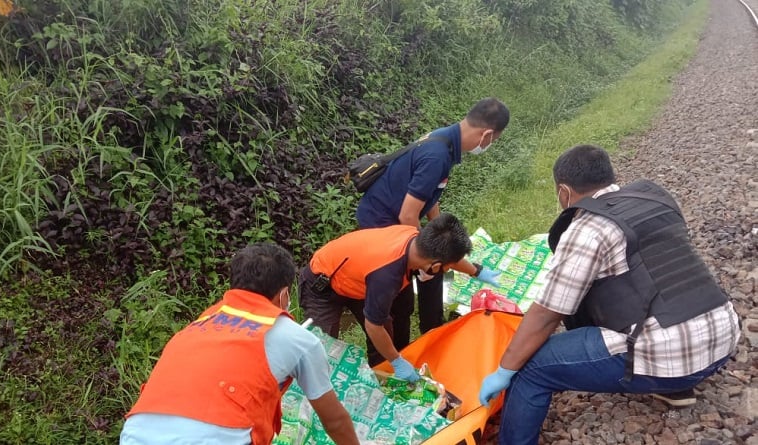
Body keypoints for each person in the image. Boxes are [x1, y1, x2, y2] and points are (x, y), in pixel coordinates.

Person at [478, 145, 741, 445]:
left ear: (564, 192)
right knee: (652, 296)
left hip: (674, 359)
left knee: (530, 366)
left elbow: (546, 315)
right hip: (724, 338)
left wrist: (505, 370)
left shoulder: (587, 227)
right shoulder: (653, 197)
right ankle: (675, 387)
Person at [120, 243, 360, 445]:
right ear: (284, 295)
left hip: (135, 435)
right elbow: (335, 421)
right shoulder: (297, 338)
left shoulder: (199, 324)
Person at [355, 97, 511, 343]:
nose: (489, 145)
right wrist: (423, 258)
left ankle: (432, 331)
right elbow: (407, 214)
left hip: (393, 217)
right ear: (487, 134)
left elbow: (428, 194)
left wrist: (440, 233)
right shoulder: (437, 156)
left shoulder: (445, 140)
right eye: (494, 140)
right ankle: (398, 351)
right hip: (381, 225)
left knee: (434, 266)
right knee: (401, 297)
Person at [298, 213, 472, 376]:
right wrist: (397, 361)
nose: (447, 269)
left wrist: (476, 271)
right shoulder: (387, 276)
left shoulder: (415, 238)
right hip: (322, 286)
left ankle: (381, 376)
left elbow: (448, 260)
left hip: (358, 279)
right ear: (435, 265)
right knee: (321, 349)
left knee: (385, 335)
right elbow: (373, 326)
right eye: (447, 268)